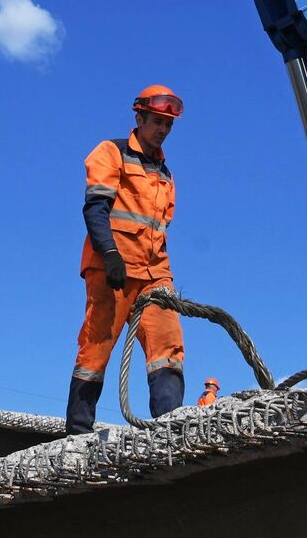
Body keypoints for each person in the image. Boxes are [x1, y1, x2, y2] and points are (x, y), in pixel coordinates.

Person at [65, 86, 187, 434]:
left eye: (169, 124)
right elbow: (95, 208)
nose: (163, 130)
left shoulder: (164, 172)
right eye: (158, 122)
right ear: (139, 118)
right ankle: (78, 431)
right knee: (96, 347)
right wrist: (110, 254)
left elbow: (157, 229)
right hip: (112, 268)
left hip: (155, 274)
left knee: (167, 345)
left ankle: (169, 427)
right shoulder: (112, 152)